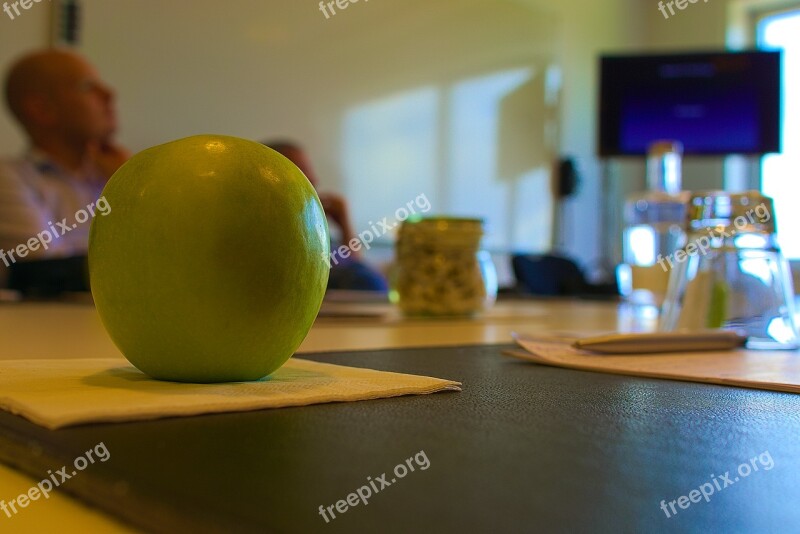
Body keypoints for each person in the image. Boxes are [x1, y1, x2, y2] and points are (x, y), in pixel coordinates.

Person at [0, 48, 129, 294]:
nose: (110, 94)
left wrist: (128, 181)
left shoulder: (112, 174)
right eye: (88, 86)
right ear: (42, 109)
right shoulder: (9, 178)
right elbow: (47, 270)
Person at [266, 141, 387, 292]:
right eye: (303, 176)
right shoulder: (275, 240)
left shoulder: (313, 233)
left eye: (312, 182)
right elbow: (368, 285)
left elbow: (353, 267)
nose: (314, 184)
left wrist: (345, 225)